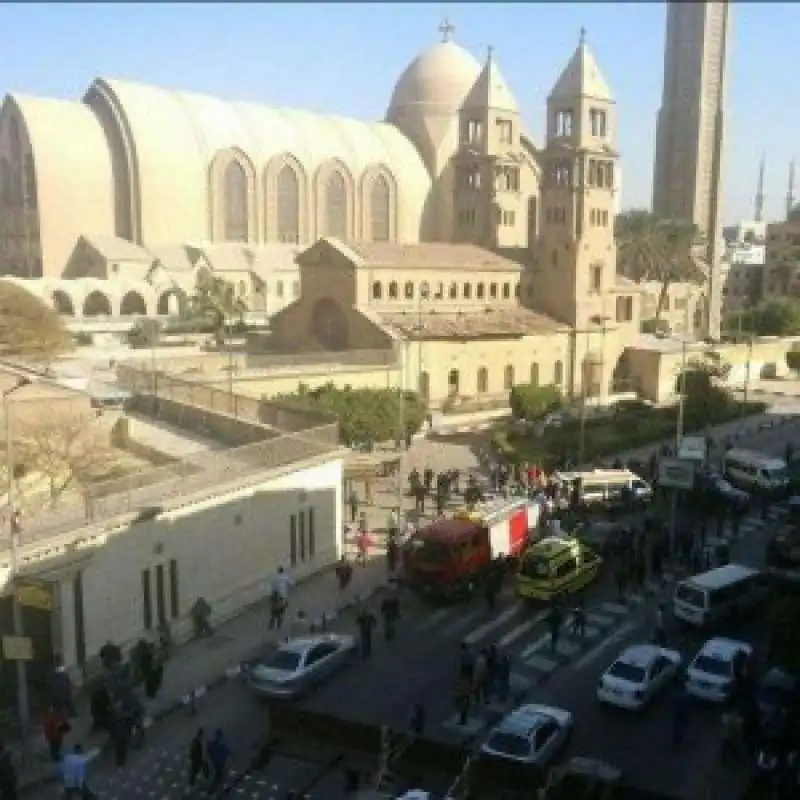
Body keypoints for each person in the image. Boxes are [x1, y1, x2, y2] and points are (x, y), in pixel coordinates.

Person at [207, 728, 232, 795]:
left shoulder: (216, 744)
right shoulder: (220, 744)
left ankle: (215, 789)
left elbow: (210, 751)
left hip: (218, 763)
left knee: (219, 776)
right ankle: (220, 790)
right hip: (220, 763)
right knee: (220, 776)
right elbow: (227, 752)